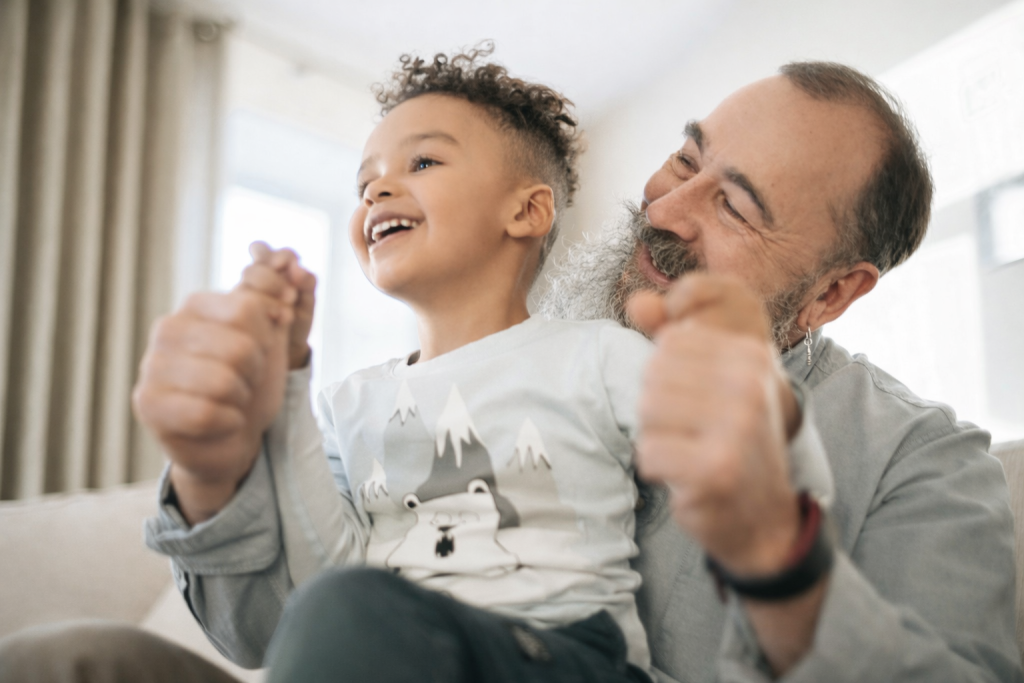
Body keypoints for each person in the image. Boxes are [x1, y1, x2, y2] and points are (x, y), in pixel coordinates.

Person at [0, 60, 1017, 683]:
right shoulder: (462, 365)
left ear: (834, 292)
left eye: (735, 204)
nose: (665, 209)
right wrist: (220, 471)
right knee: (66, 661)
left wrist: (779, 565)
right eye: (682, 158)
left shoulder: (921, 462)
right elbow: (272, 626)